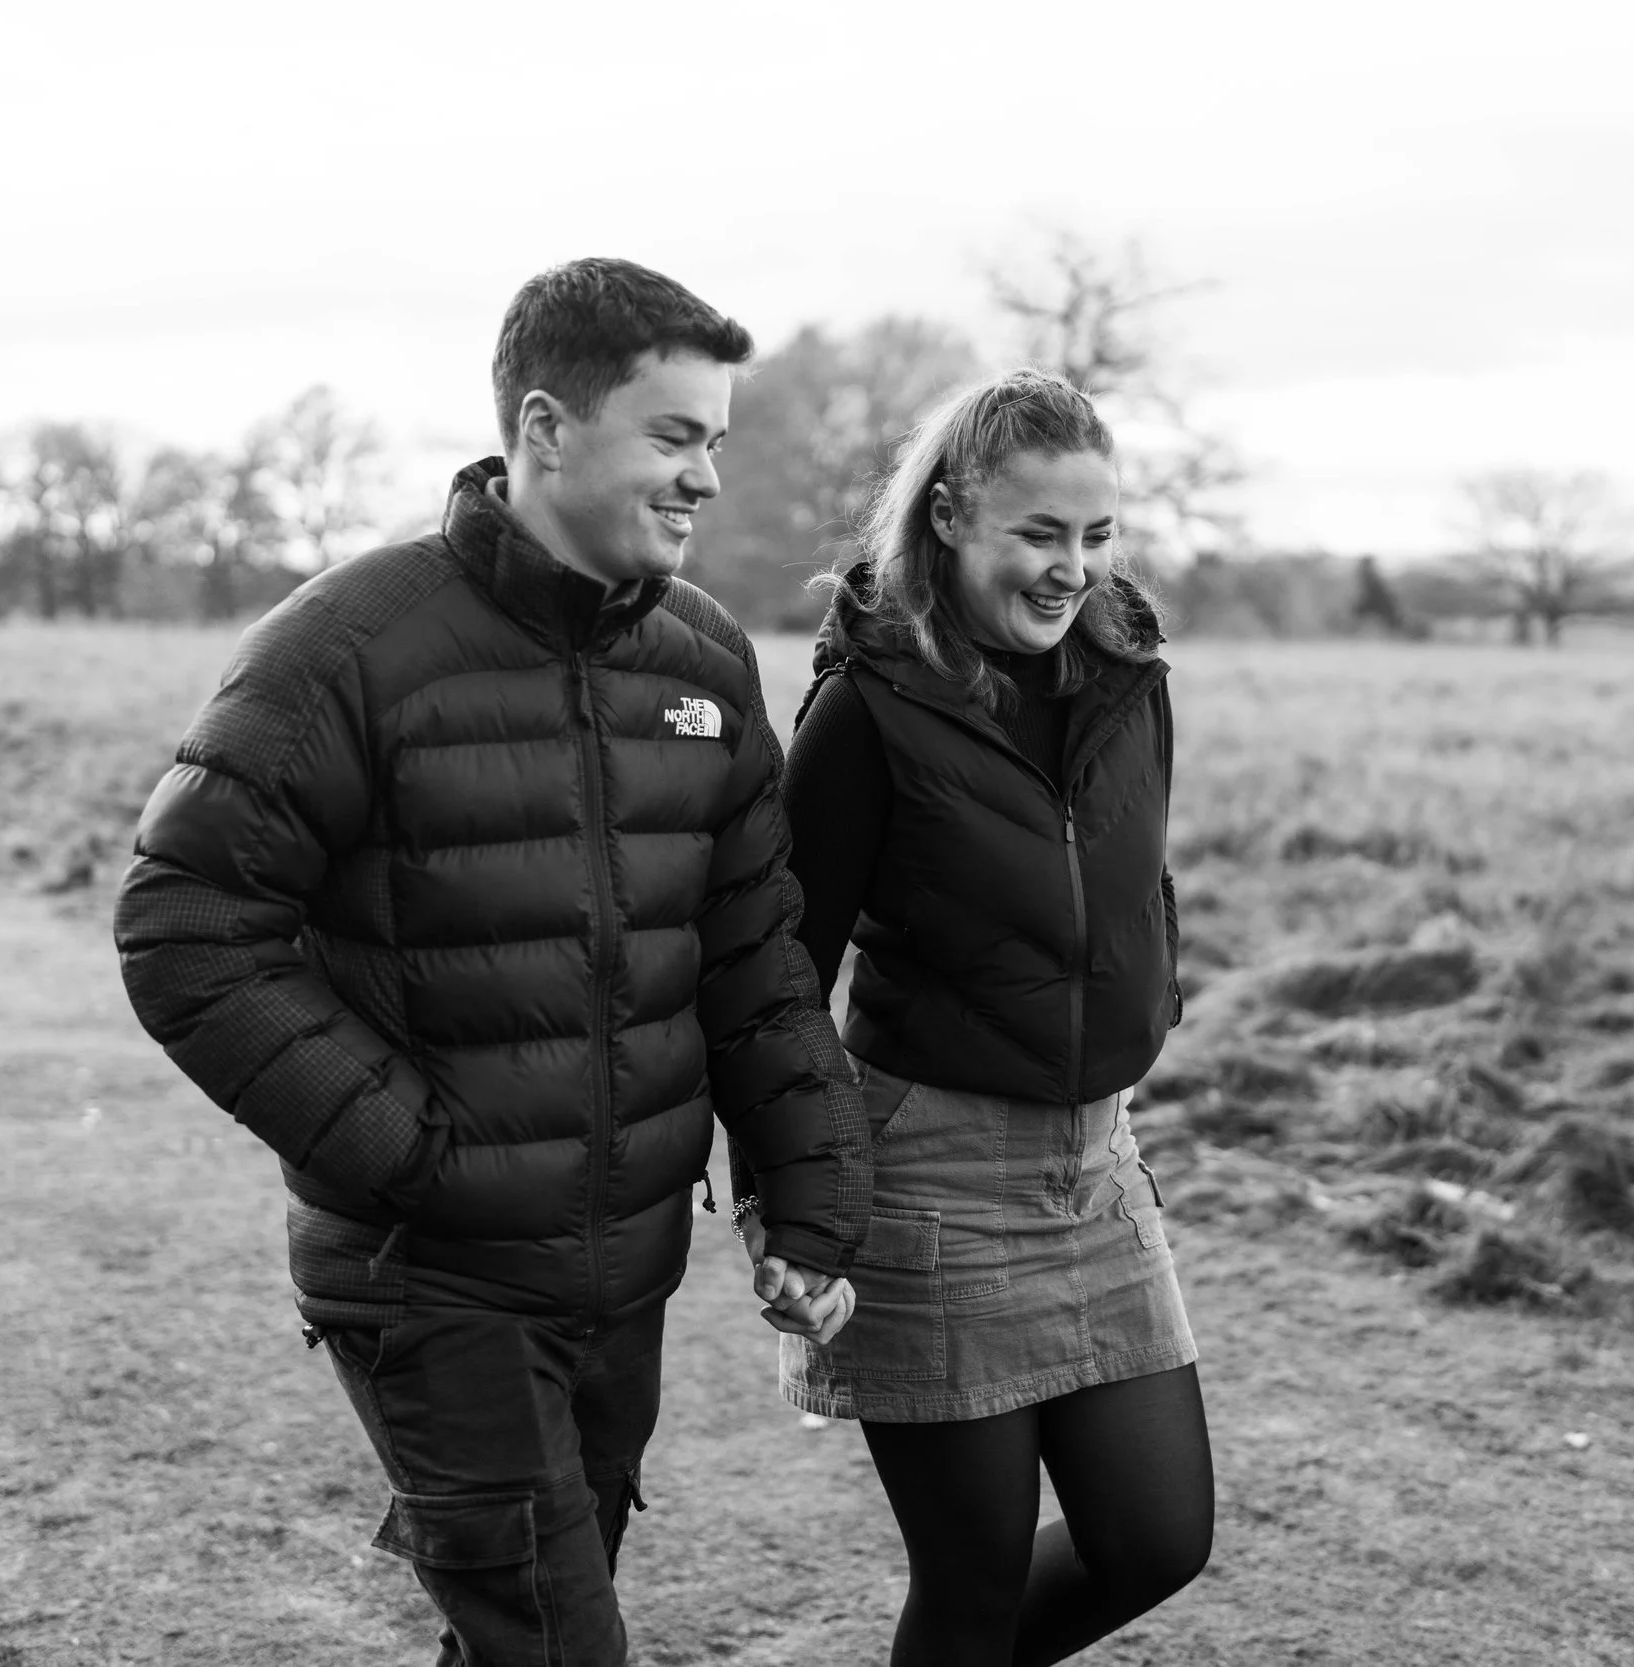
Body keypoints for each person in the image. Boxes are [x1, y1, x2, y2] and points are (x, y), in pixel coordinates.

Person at [113, 257, 870, 1666]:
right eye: (675, 434)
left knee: (520, 1626)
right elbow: (185, 926)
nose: (706, 474)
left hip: (621, 1269)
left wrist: (814, 1197)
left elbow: (752, 954)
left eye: (716, 439)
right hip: (429, 1273)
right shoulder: (349, 645)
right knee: (557, 1640)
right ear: (545, 427)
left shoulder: (707, 661)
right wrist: (418, 1151)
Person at [766, 368, 1212, 1666]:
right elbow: (784, 968)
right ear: (952, 515)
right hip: (931, 1173)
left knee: (1154, 1535)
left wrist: (1136, 1030)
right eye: (1039, 533)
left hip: (1096, 1165)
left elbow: (1134, 885)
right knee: (967, 1589)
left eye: (1096, 535)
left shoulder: (1132, 676)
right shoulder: (870, 710)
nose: (1071, 568)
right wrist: (788, 1191)